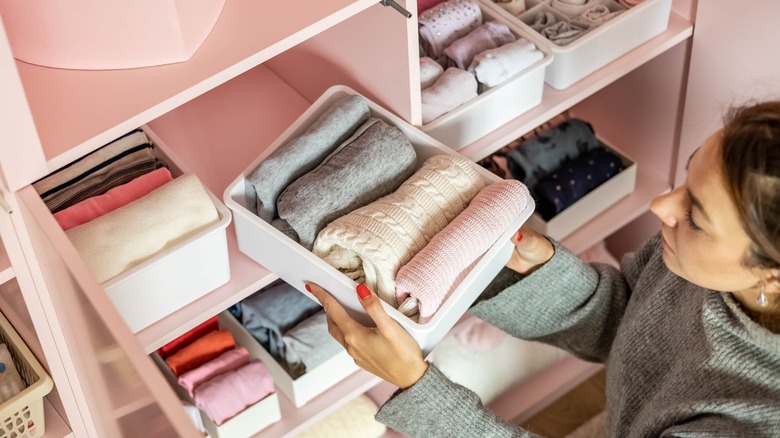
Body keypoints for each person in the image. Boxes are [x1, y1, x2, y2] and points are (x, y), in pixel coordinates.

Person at [305, 101, 780, 436]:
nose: (661, 205)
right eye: (688, 174)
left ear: (771, 277)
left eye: (696, 216)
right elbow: (631, 324)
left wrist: (417, 385)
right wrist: (537, 272)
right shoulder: (696, 265)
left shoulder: (751, 421)